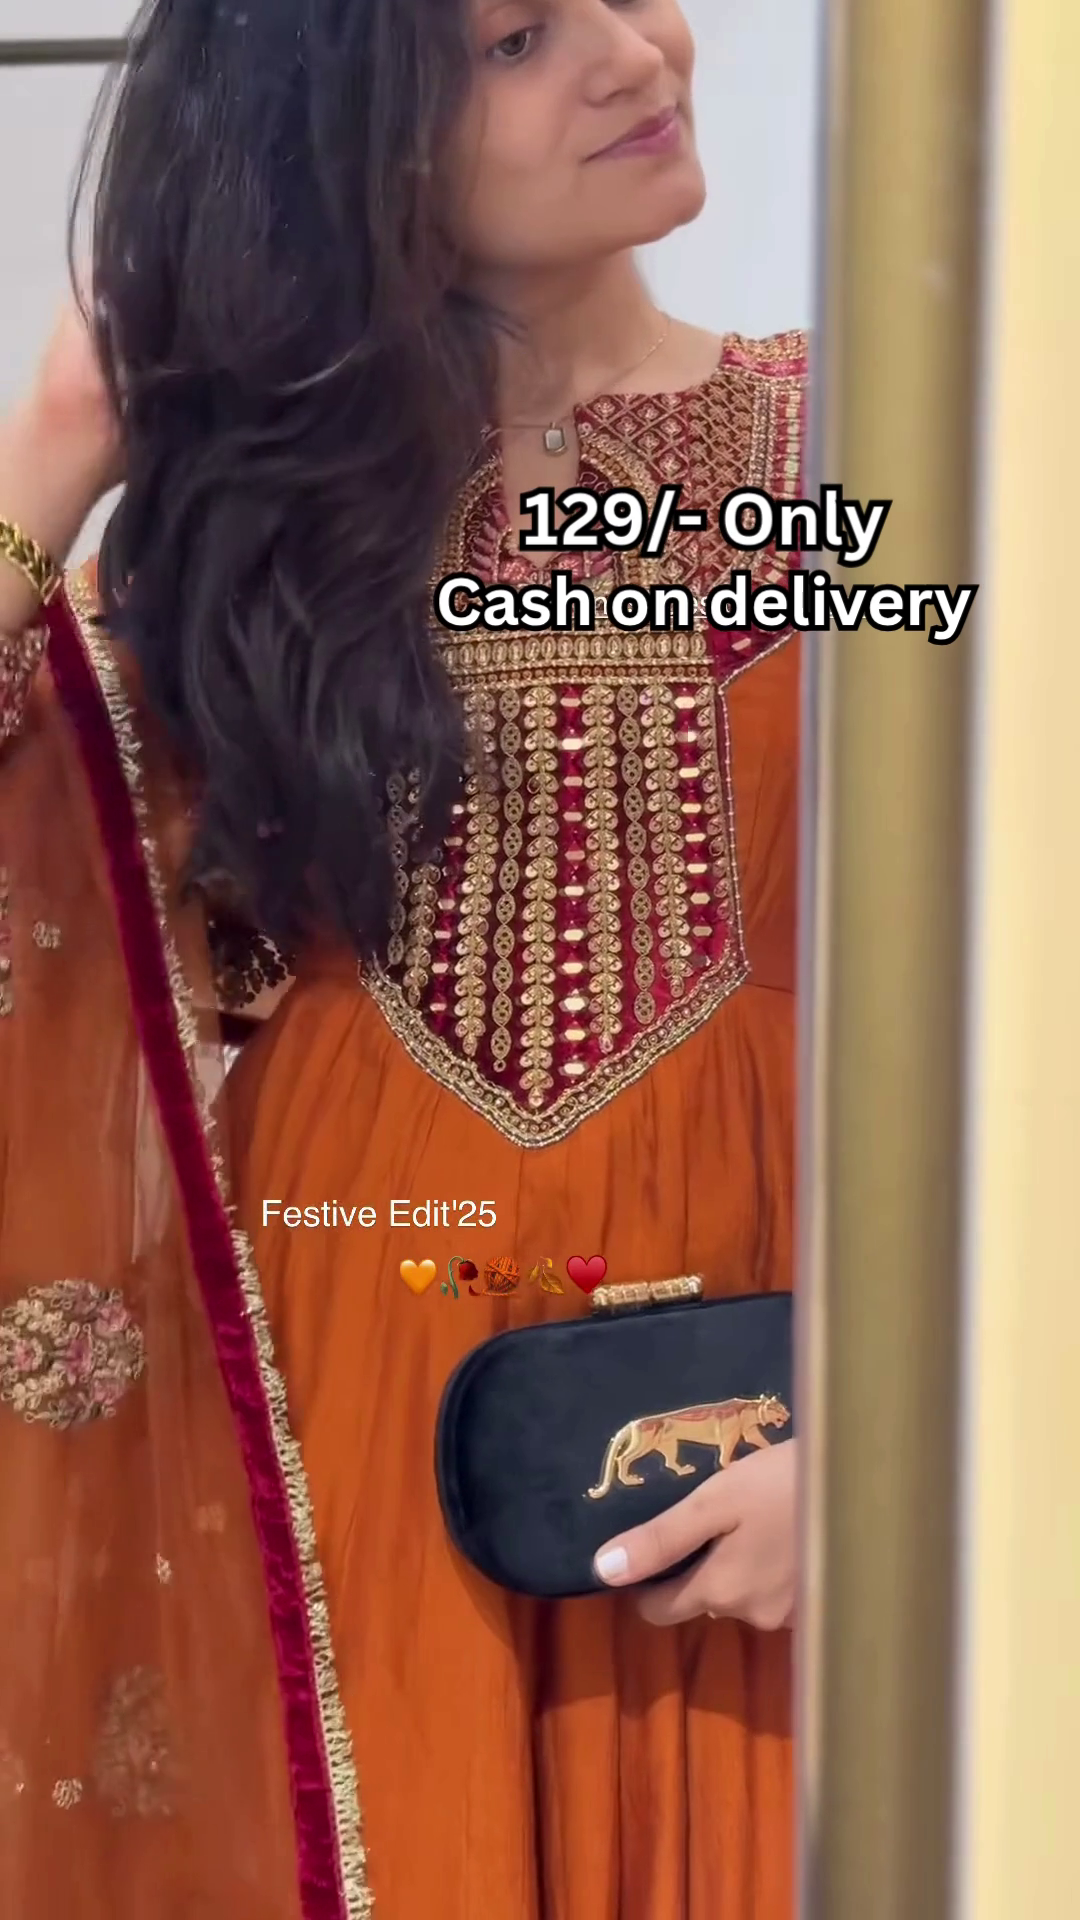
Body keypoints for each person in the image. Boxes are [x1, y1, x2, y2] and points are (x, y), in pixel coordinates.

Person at [0, 0, 803, 1914]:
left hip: (793, 1351)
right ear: (340, 138)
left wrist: (908, 1443)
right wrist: (59, 444)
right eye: (516, 41)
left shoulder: (872, 454)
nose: (633, 56)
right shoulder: (247, 544)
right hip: (337, 1382)